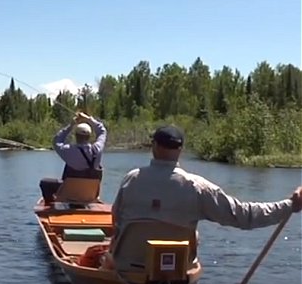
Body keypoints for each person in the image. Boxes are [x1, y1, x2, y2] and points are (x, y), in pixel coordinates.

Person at [106, 125, 302, 265]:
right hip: (175, 272)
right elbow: (244, 215)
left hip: (127, 269)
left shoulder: (130, 179)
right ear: (180, 151)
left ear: (154, 146)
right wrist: (289, 205)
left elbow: (116, 220)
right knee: (194, 236)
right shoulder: (197, 187)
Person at [39, 111, 108, 204]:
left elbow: (56, 141)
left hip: (69, 192)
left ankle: (51, 205)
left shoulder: (69, 150)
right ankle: (93, 200)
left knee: (44, 183)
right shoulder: (97, 149)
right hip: (90, 193)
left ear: (76, 136)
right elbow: (102, 131)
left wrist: (71, 125)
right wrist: (88, 119)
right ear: (89, 136)